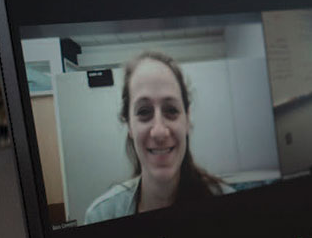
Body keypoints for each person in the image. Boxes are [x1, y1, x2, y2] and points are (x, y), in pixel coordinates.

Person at [84, 51, 233, 224]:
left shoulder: (230, 206)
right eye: (144, 111)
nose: (159, 132)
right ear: (129, 125)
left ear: (187, 119)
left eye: (171, 110)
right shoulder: (101, 216)